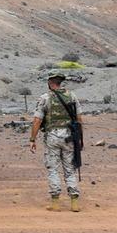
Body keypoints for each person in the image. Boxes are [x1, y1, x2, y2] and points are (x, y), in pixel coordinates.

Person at [30, 71, 83, 212]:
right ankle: (74, 202)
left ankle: (55, 202)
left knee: (53, 168)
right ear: (60, 82)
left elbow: (37, 120)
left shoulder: (45, 98)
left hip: (52, 137)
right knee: (70, 169)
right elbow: (79, 120)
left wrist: (32, 139)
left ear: (50, 82)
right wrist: (79, 139)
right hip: (69, 137)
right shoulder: (72, 96)